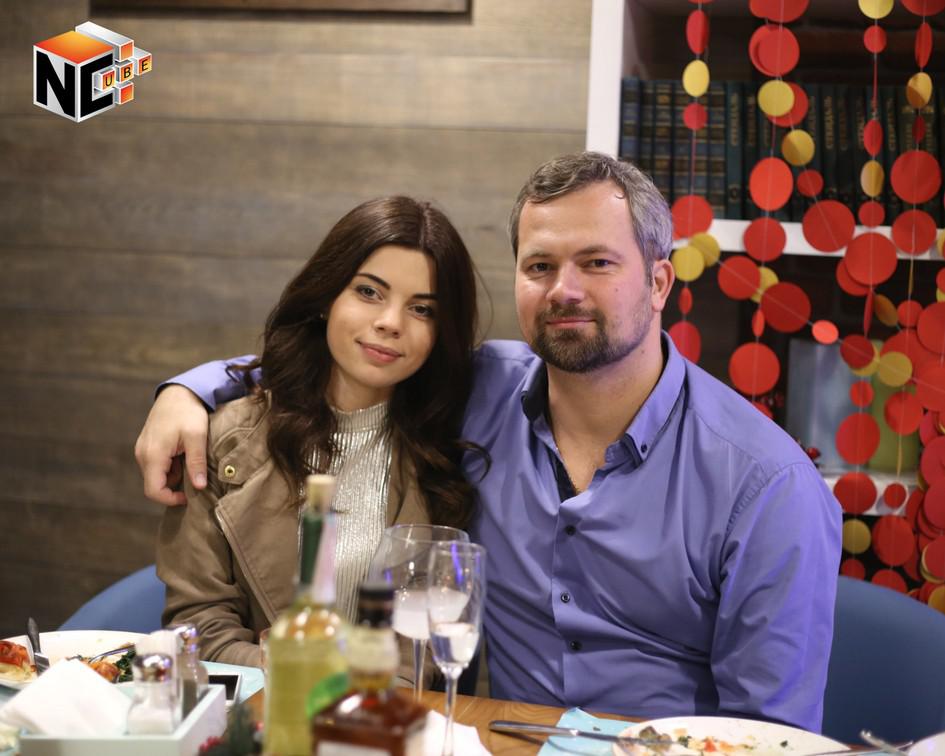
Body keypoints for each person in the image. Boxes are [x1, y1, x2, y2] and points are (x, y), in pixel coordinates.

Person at [136, 153, 841, 730]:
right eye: (540, 266)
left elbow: (771, 738)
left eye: (597, 263)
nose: (563, 290)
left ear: (659, 282)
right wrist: (187, 390)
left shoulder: (767, 486)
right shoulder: (482, 393)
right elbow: (346, 363)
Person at [154, 196, 482, 667]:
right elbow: (198, 630)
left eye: (422, 309)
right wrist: (302, 674)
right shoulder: (224, 441)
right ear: (327, 298)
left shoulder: (451, 452)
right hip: (263, 704)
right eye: (369, 292)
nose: (390, 323)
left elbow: (424, 652)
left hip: (384, 709)